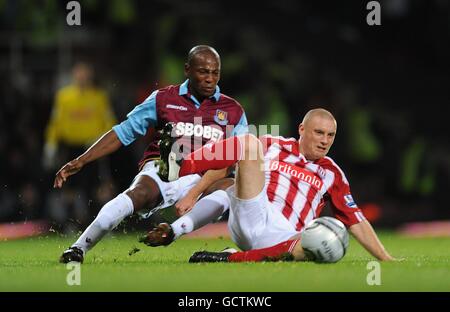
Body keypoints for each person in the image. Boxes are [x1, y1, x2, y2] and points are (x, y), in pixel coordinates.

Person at [56, 46, 248, 263]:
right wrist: (82, 160)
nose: (209, 79)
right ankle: (78, 248)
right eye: (203, 72)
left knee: (233, 185)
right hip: (164, 168)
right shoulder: (163, 99)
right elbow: (123, 131)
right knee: (138, 194)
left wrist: (194, 193)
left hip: (204, 178)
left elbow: (235, 157)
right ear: (187, 70)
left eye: (215, 73)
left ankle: (172, 231)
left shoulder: (233, 111)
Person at [162, 108, 396, 262]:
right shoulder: (274, 144)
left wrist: (386, 260)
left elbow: (355, 219)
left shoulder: (332, 173)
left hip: (285, 238)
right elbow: (225, 165)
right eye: (319, 133)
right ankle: (184, 162)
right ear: (302, 130)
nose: (325, 141)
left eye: (331, 135)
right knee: (247, 146)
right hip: (254, 211)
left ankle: (229, 258)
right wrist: (193, 193)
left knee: (327, 247)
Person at [44, 62, 117, 231]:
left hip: (93, 148)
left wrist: (103, 139)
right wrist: (51, 144)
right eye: (79, 73)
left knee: (99, 187)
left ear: (90, 75)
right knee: (70, 189)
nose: (82, 76)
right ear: (74, 75)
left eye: (85, 73)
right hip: (70, 148)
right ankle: (72, 224)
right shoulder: (64, 97)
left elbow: (110, 121)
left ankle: (102, 225)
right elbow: (56, 122)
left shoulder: (99, 97)